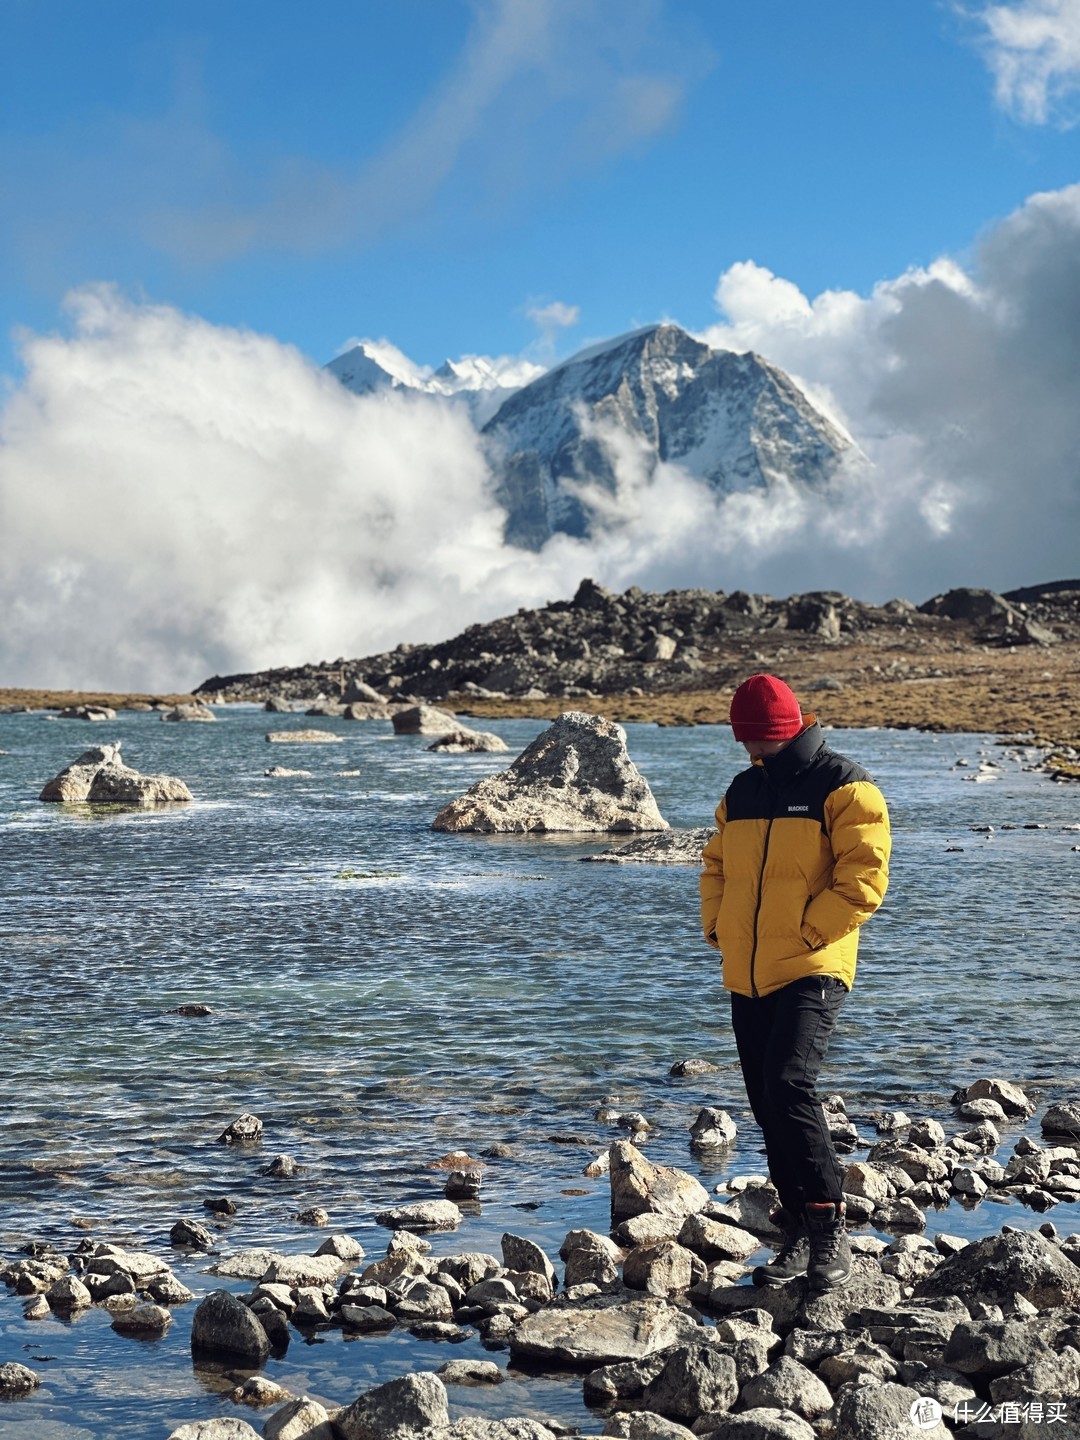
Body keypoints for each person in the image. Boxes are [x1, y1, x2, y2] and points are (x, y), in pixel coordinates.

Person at [699, 674, 891, 1290]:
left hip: (814, 965)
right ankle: (799, 1231)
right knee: (763, 1099)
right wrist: (720, 928)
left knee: (788, 1084)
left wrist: (811, 935)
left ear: (789, 730)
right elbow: (716, 865)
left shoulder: (844, 785)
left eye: (763, 742)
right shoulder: (743, 790)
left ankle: (830, 1226)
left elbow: (865, 877)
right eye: (747, 743)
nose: (755, 753)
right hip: (748, 970)